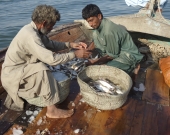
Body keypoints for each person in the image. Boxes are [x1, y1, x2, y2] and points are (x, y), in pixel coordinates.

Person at [1, 5, 91, 119]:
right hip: (12, 76)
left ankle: (40, 93)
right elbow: (52, 60)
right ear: (43, 23)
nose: (52, 29)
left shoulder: (36, 30)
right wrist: (75, 54)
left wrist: (71, 44)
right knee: (41, 68)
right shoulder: (31, 35)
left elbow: (51, 44)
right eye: (51, 25)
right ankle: (52, 110)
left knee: (42, 66)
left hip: (22, 70)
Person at [82, 4, 143, 75]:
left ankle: (134, 67)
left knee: (102, 71)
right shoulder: (97, 28)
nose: (90, 24)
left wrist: (94, 62)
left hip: (128, 56)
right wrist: (88, 50)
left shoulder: (108, 32)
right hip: (114, 53)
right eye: (88, 21)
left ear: (99, 16)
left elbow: (112, 56)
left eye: (91, 20)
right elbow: (96, 41)